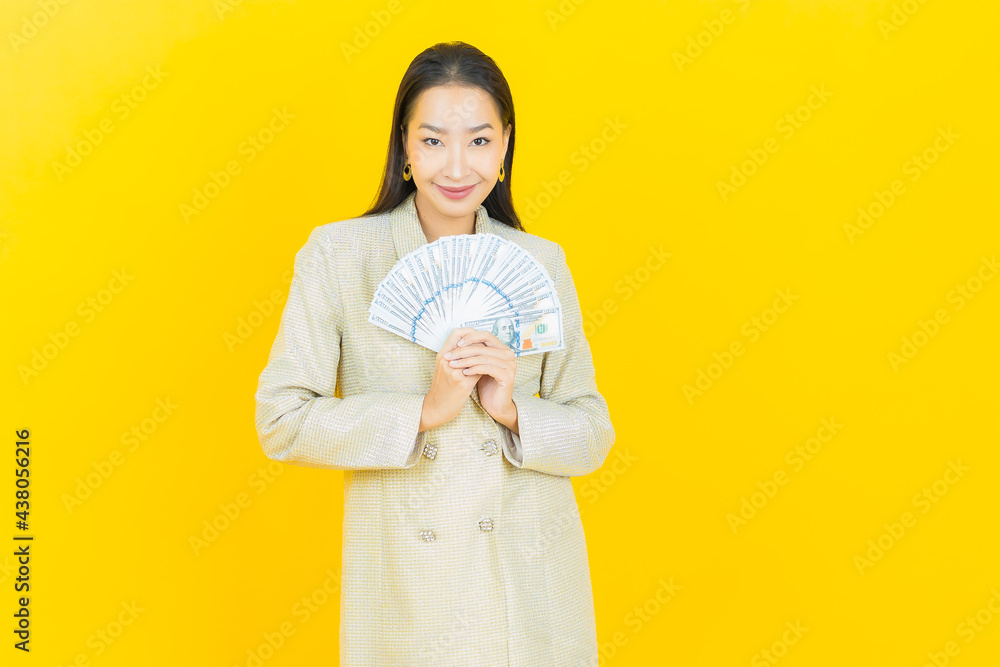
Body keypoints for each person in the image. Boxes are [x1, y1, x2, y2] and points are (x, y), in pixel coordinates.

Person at [254, 41, 615, 666]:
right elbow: (281, 421)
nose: (456, 166)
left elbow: (592, 434)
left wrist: (512, 412)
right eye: (432, 141)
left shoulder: (541, 263)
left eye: (478, 141)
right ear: (403, 148)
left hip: (527, 586)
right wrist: (422, 410)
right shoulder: (339, 257)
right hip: (407, 586)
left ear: (505, 147)